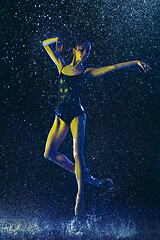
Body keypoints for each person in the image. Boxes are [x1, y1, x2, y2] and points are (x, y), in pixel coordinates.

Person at [42, 37, 151, 216]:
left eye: (88, 51)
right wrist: (57, 39)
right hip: (60, 116)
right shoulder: (61, 65)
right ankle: (88, 178)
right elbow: (45, 45)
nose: (86, 53)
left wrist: (136, 62)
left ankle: (80, 196)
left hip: (77, 115)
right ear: (74, 50)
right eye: (83, 49)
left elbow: (113, 67)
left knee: (77, 154)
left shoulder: (86, 71)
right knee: (49, 154)